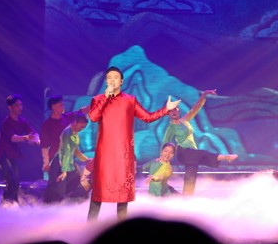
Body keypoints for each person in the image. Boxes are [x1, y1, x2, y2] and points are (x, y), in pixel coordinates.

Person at [87, 66, 181, 221]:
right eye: (109, 78)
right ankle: (91, 227)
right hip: (105, 155)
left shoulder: (129, 100)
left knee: (122, 196)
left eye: (115, 77)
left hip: (124, 155)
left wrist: (166, 109)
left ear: (121, 81)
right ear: (106, 81)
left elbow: (148, 117)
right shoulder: (97, 99)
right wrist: (105, 97)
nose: (112, 80)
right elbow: (93, 117)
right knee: (99, 193)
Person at [162, 88, 237, 195]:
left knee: (192, 174)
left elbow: (195, 108)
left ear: (178, 110)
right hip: (183, 152)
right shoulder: (171, 128)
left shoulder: (185, 120)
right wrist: (162, 160)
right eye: (170, 111)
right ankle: (223, 157)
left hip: (192, 153)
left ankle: (186, 195)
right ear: (168, 114)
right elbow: (165, 143)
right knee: (202, 154)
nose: (173, 112)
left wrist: (203, 95)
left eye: (174, 110)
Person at [0, 94, 40, 206]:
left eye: (21, 105)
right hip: (2, 155)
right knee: (12, 179)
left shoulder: (22, 121)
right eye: (16, 105)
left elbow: (33, 132)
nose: (20, 107)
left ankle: (10, 204)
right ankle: (8, 204)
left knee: (15, 181)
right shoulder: (7, 122)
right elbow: (13, 138)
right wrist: (27, 138)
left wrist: (36, 139)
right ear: (10, 107)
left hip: (12, 155)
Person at [41, 94, 89, 203]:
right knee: (57, 187)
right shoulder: (47, 125)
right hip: (56, 159)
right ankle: (49, 208)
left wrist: (99, 102)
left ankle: (65, 205)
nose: (63, 106)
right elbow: (44, 145)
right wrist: (46, 163)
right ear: (53, 107)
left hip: (67, 158)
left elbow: (83, 110)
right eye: (60, 105)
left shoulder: (67, 118)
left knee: (76, 180)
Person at [47, 112, 91, 202]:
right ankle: (52, 207)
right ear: (75, 122)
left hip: (69, 163)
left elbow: (74, 150)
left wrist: (86, 159)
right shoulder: (68, 133)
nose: (82, 129)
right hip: (60, 163)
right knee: (59, 190)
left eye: (84, 127)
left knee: (77, 182)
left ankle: (68, 204)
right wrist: (64, 171)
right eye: (81, 126)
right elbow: (66, 152)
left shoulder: (75, 133)